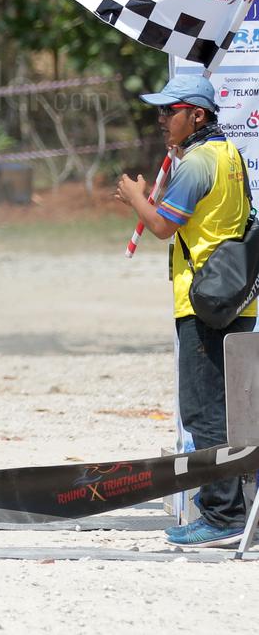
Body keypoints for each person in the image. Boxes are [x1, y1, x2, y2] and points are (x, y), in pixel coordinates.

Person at [115, 74, 257, 548]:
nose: (161, 119)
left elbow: (161, 226)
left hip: (203, 304)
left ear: (197, 115)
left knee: (205, 412)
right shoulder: (228, 154)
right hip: (236, 296)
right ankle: (232, 509)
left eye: (169, 111)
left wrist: (135, 198)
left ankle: (222, 516)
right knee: (229, 409)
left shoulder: (196, 163)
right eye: (159, 111)